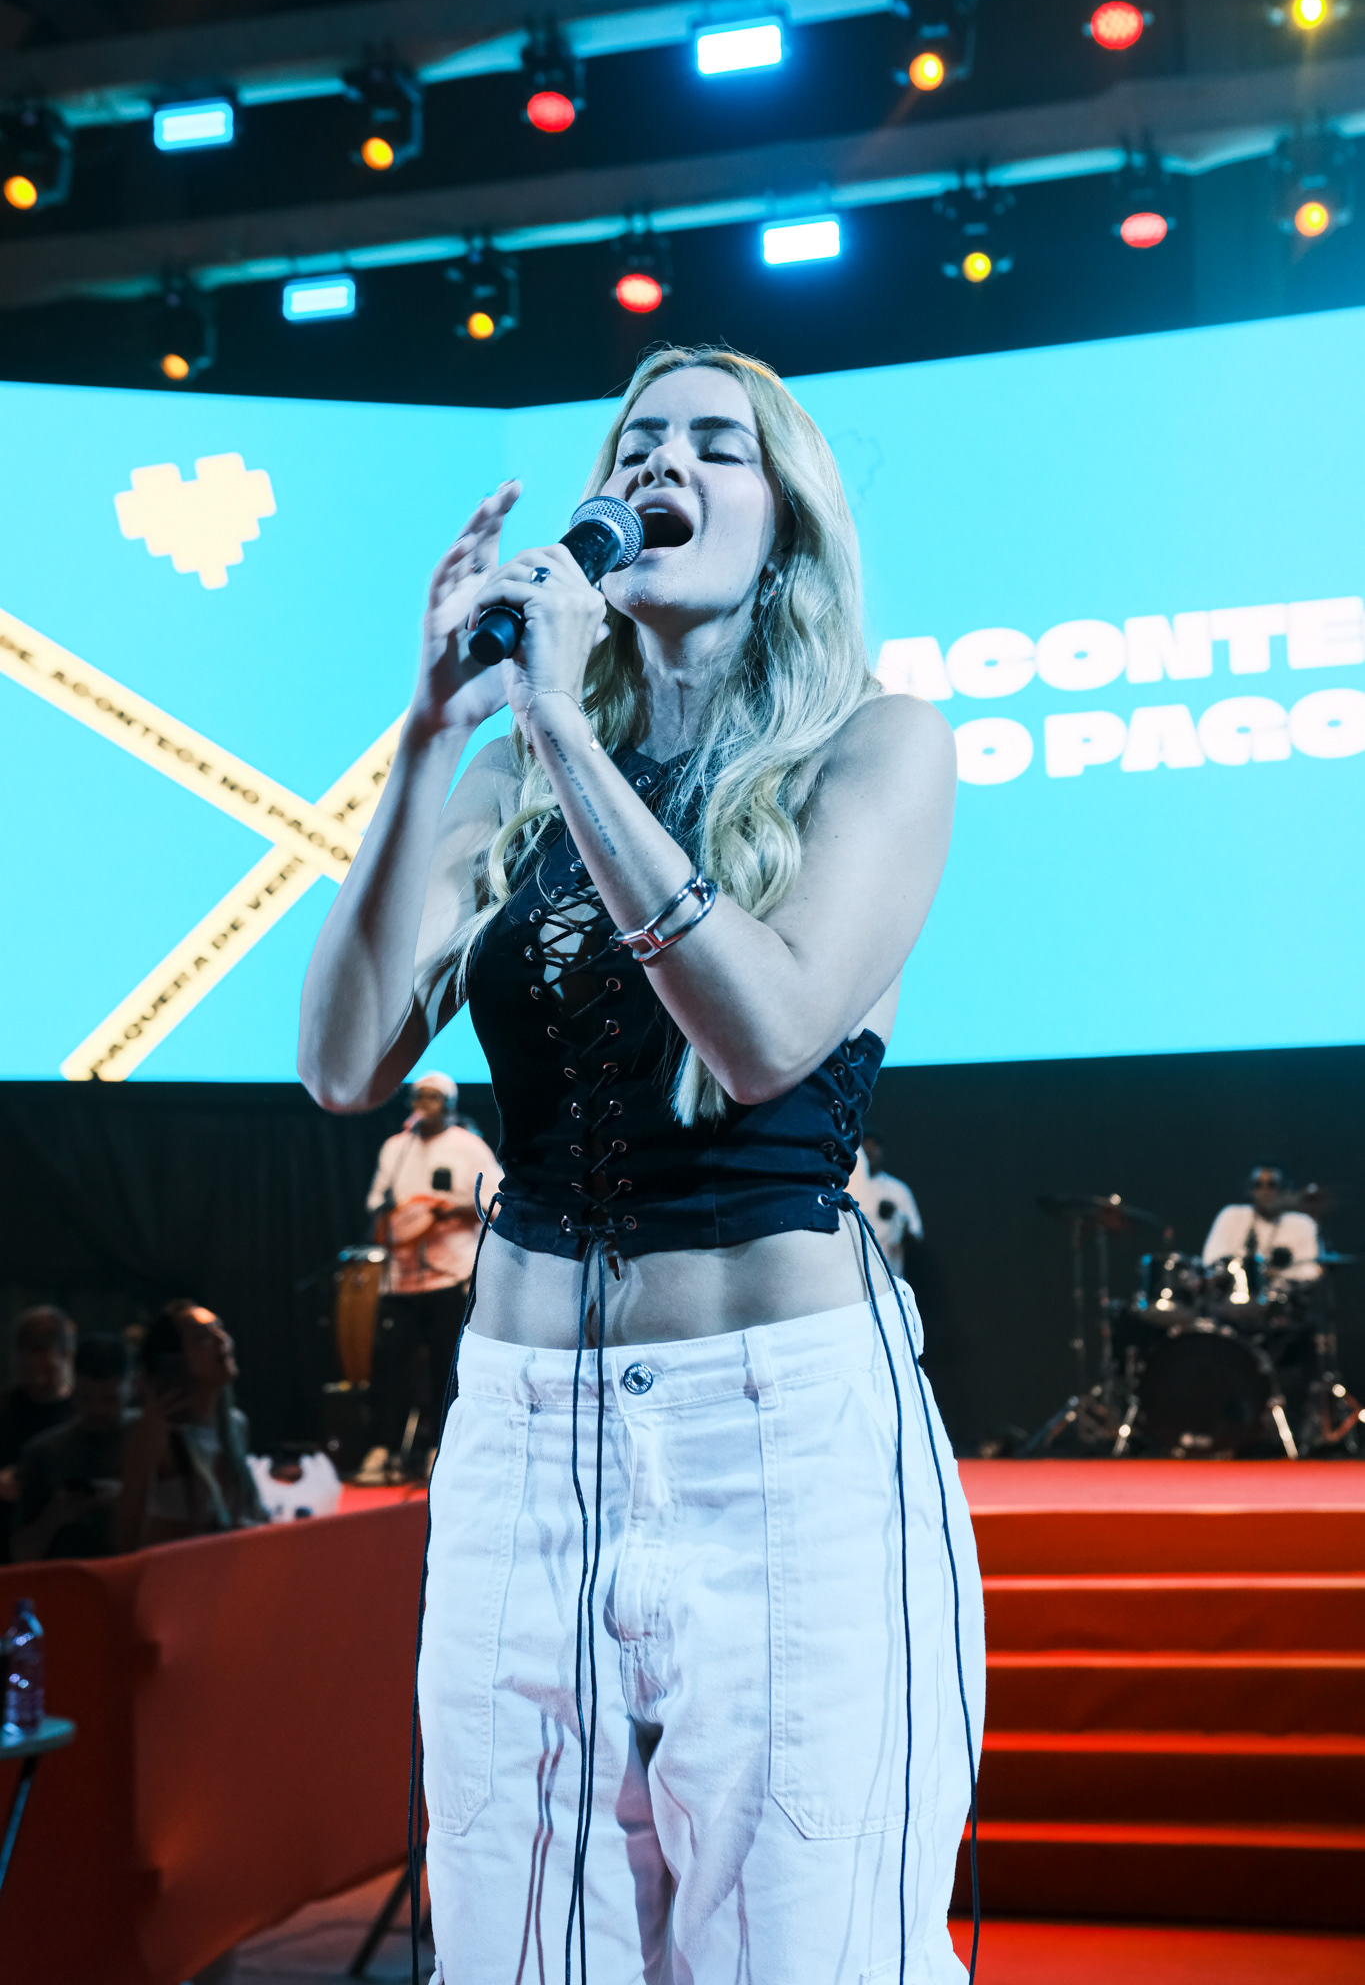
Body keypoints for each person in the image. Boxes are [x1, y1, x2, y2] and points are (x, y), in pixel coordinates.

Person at [298, 345, 984, 1985]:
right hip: (526, 1433)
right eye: (636, 443)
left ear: (789, 523)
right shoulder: (511, 776)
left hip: (780, 1430)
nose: (661, 464)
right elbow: (341, 1064)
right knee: (522, 1937)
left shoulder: (877, 747)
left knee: (804, 1937)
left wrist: (562, 725)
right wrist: (430, 737)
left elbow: (768, 1036)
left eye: (715, 447)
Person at [359, 1070, 500, 1481]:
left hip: (449, 1277)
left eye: (432, 1097)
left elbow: (496, 1202)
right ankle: (384, 1449)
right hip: (401, 1279)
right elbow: (376, 1202)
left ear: (450, 1105)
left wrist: (452, 1209)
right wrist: (401, 1216)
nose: (423, 1104)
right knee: (389, 1366)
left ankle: (442, 1447)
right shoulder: (395, 1148)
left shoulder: (469, 1147)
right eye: (418, 1096)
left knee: (445, 1367)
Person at [114, 1304, 266, 1550]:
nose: (222, 1340)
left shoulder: (235, 1425)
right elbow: (124, 1540)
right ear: (174, 1360)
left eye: (219, 1328)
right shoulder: (155, 1434)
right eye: (202, 1336)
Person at [12, 1333, 134, 1562]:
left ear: (132, 1387)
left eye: (110, 1400)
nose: (97, 1410)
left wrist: (131, 1497)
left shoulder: (150, 1444)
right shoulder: (44, 1453)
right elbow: (21, 1555)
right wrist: (55, 1516)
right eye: (86, 1399)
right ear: (73, 1388)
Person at [0, 1306, 75, 1563]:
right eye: (27, 1354)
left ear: (66, 1355)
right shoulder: (4, 1409)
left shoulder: (83, 1413)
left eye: (41, 1352)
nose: (34, 1369)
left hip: (66, 1546)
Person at [1202, 1163, 1321, 1291]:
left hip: (1284, 1295)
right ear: (1250, 1189)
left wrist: (1279, 1274)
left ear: (1284, 1188)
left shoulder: (1301, 1224)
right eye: (1258, 1185)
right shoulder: (1232, 1216)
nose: (1264, 1191)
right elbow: (1211, 1260)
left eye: (1271, 1185)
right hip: (1235, 1294)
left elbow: (1312, 1270)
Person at [848, 1132, 924, 1279]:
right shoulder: (843, 1188)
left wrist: (898, 1218)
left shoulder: (897, 1189)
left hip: (889, 1279)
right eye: (864, 1144)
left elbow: (915, 1235)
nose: (869, 1150)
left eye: (874, 1145)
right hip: (852, 1278)